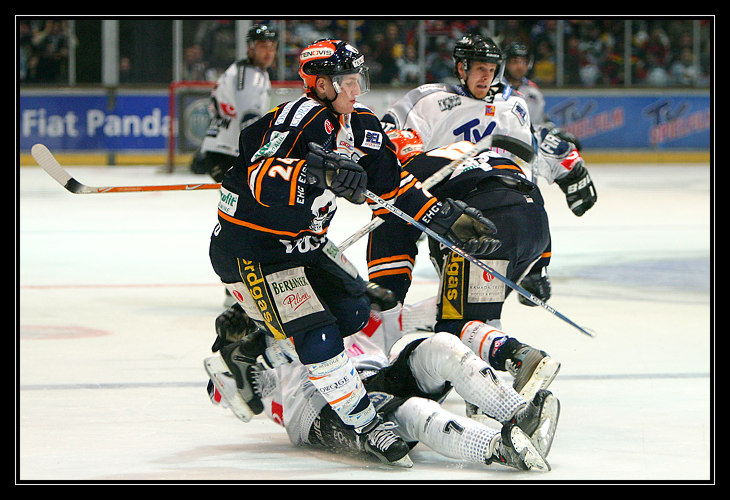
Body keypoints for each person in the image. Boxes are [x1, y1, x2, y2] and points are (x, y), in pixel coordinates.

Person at [207, 38, 500, 461]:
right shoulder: (295, 118)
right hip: (254, 250)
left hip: (306, 246)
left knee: (355, 313)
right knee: (318, 332)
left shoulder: (360, 124)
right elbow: (259, 177)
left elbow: (394, 187)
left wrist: (445, 217)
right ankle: (365, 423)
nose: (356, 90)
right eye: (347, 81)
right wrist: (315, 172)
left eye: (357, 79)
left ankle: (249, 350)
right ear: (321, 83)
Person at [205, 299, 559, 471]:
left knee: (443, 348)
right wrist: (232, 346)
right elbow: (224, 393)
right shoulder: (265, 354)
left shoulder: (343, 312)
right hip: (321, 410)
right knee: (415, 412)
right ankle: (501, 448)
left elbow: (432, 314)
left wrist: (375, 293)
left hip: (378, 376)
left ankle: (519, 415)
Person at [380, 134, 561, 407]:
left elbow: (395, 236)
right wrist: (540, 268)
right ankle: (481, 393)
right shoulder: (463, 154)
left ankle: (518, 356)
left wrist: (389, 291)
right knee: (481, 312)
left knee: (453, 324)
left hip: (486, 224)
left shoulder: (411, 174)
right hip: (535, 226)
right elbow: (534, 199)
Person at [190, 24, 279, 182]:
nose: (269, 52)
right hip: (228, 152)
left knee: (243, 204)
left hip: (221, 148)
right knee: (252, 201)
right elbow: (249, 120)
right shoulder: (250, 75)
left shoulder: (246, 71)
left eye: (272, 46)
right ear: (250, 48)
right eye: (262, 46)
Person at [501, 42, 582, 150]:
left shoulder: (533, 91)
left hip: (530, 147)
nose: (520, 66)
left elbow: (541, 120)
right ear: (506, 63)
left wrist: (556, 132)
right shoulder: (497, 88)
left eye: (524, 62)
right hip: (503, 145)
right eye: (515, 62)